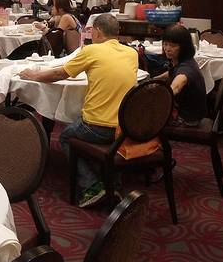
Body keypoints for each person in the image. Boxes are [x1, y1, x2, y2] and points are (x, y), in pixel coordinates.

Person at [19, 14, 138, 208]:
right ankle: (112, 182)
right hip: (126, 127)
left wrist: (34, 75)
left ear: (97, 32)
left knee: (66, 137)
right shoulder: (131, 53)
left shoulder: (92, 51)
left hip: (98, 127)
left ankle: (92, 185)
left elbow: (59, 73)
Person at [157, 24, 206, 126]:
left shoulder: (186, 69)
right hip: (189, 113)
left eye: (173, 45)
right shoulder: (183, 61)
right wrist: (152, 79)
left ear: (184, 47)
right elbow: (172, 73)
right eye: (165, 44)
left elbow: (176, 87)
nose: (167, 49)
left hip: (188, 119)